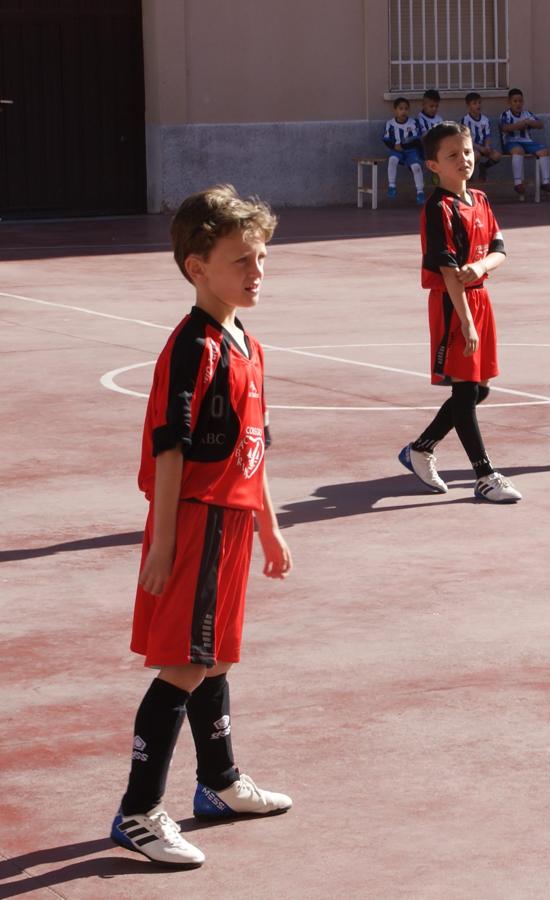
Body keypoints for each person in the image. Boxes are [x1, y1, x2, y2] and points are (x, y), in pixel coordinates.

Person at [110, 184, 294, 868]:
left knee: (214, 656)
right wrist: (161, 542)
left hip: (234, 521)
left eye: (262, 256)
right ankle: (137, 812)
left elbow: (255, 447)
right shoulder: (192, 347)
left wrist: (270, 529)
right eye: (241, 259)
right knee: (183, 664)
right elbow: (170, 446)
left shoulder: (247, 343)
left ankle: (218, 783)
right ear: (197, 267)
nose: (257, 270)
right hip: (193, 522)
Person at [398, 122, 522, 503]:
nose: (463, 160)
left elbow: (500, 249)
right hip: (455, 303)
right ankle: (484, 474)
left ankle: (421, 448)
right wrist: (465, 321)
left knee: (479, 388)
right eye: (452, 155)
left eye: (466, 152)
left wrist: (483, 267)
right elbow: (449, 272)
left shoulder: (480, 200)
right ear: (433, 165)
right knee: (466, 389)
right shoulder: (439, 208)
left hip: (480, 296)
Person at [499, 88, 550, 200]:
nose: (518, 104)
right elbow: (504, 128)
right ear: (509, 102)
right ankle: (518, 183)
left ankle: (545, 182)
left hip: (527, 142)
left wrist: (530, 123)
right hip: (511, 142)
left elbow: (540, 124)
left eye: (520, 101)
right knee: (518, 151)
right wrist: (520, 125)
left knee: (544, 152)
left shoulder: (527, 114)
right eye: (515, 101)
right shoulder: (505, 115)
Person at [383, 97, 425, 204]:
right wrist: (394, 146)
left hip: (411, 151)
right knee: (392, 159)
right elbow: (386, 139)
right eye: (401, 109)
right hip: (397, 150)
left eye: (406, 109)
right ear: (395, 110)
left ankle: (420, 192)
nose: (403, 111)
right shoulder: (390, 124)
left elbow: (416, 139)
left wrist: (404, 146)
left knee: (416, 167)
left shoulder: (413, 123)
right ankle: (391, 185)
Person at [462, 92, 501, 181]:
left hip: (483, 147)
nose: (478, 105)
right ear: (468, 106)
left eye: (479, 102)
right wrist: (480, 148)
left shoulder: (485, 119)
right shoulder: (465, 120)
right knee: (476, 156)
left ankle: (484, 167)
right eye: (474, 103)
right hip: (471, 147)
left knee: (497, 156)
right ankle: (469, 174)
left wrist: (487, 146)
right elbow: (466, 139)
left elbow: (487, 135)